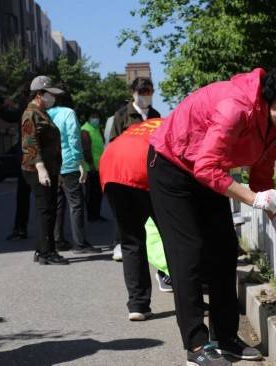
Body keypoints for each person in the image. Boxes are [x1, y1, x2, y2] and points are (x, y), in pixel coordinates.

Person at [147, 61, 276, 366]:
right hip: (172, 166)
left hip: (208, 170)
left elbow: (261, 179)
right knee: (188, 252)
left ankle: (226, 337)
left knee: (224, 249)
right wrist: (255, 201)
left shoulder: (275, 123)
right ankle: (196, 344)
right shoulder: (236, 106)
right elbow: (207, 168)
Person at [100, 118, 172, 321]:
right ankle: (190, 300)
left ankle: (138, 305)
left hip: (111, 168)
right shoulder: (177, 124)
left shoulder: (142, 126)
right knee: (174, 237)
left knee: (131, 240)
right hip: (142, 168)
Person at [109, 77, 161, 261]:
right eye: (141, 92)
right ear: (133, 92)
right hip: (128, 172)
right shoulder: (122, 115)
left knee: (154, 213)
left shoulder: (155, 114)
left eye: (149, 92)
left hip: (150, 171)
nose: (145, 96)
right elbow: (114, 143)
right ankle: (120, 243)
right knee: (127, 213)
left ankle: (158, 250)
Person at [21, 76, 68, 265]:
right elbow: (29, 142)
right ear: (40, 94)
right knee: (46, 210)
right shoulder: (30, 114)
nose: (53, 98)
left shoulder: (42, 112)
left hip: (48, 167)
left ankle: (42, 249)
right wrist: (41, 168)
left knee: (48, 209)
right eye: (51, 94)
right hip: (38, 168)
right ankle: (47, 252)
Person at [47, 96, 101, 254]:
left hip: (53, 164)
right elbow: (73, 137)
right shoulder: (68, 113)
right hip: (69, 163)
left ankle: (58, 240)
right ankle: (80, 243)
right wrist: (80, 162)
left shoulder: (46, 113)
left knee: (58, 204)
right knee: (76, 204)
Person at [0, 96, 31, 241]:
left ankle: (21, 229)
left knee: (25, 195)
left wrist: (3, 106)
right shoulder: (38, 108)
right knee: (38, 196)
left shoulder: (25, 109)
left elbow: (8, 115)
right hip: (29, 158)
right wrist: (1, 107)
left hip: (27, 158)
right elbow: (7, 115)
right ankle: (23, 229)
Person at [81, 110, 106, 222]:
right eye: (93, 116)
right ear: (88, 118)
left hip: (100, 167)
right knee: (91, 193)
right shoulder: (85, 130)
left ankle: (97, 214)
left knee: (98, 193)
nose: (96, 119)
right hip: (90, 167)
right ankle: (91, 215)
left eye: (97, 116)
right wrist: (91, 165)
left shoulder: (98, 129)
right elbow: (86, 149)